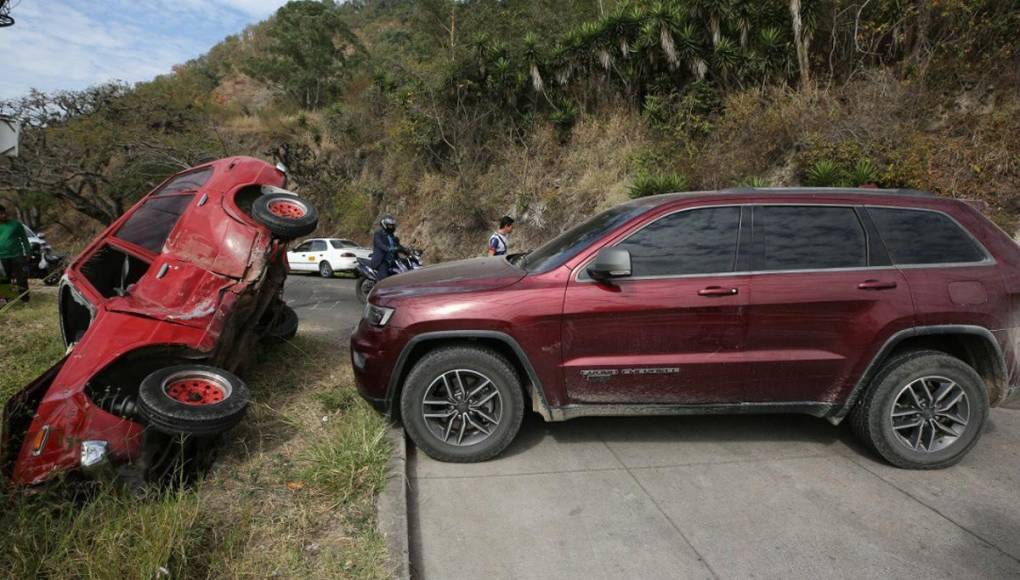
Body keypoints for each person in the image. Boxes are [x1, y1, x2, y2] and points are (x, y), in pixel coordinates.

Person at [0, 204, 31, 302]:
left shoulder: (16, 224)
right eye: (0, 214)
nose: (3, 216)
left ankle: (25, 300)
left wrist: (28, 252)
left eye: (3, 213)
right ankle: (8, 300)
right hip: (2, 257)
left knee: (21, 279)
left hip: (17, 255)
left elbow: (24, 238)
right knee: (5, 280)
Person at [370, 215, 401, 281]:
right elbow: (379, 244)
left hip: (392, 260)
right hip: (382, 260)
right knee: (384, 279)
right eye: (390, 225)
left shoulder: (392, 235)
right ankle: (379, 289)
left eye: (392, 225)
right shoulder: (378, 234)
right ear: (384, 225)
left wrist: (406, 250)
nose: (392, 227)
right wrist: (388, 248)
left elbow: (398, 246)